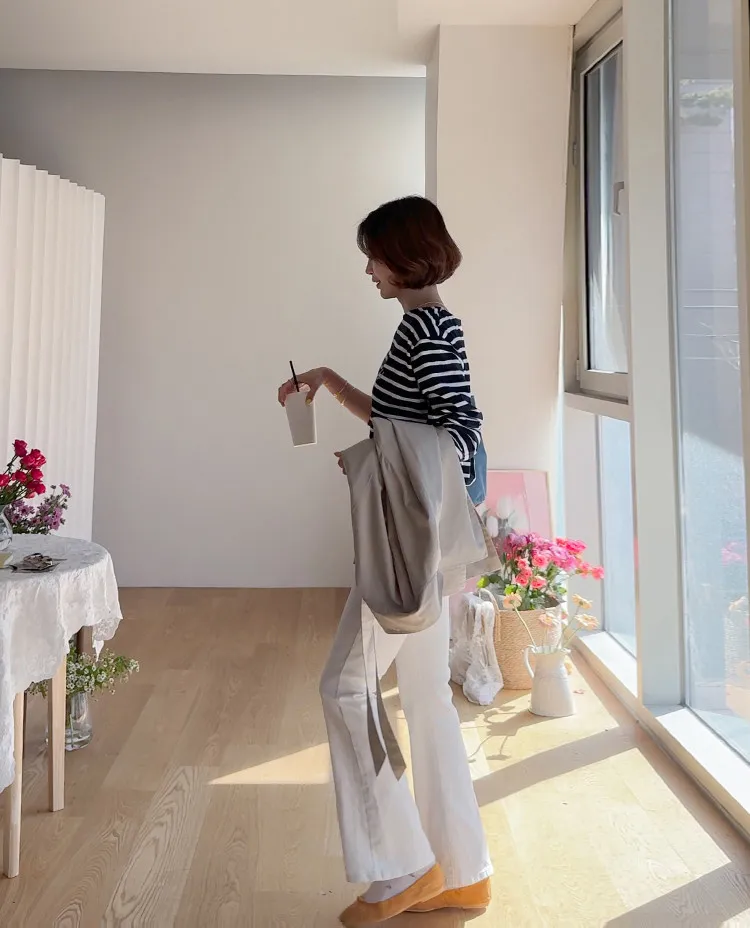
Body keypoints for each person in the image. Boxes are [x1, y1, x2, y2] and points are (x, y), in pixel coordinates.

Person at [277, 196, 492, 925]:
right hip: (423, 547)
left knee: (342, 686)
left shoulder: (426, 331)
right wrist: (329, 382)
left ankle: (404, 866)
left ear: (403, 257)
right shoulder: (428, 326)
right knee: (427, 697)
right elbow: (404, 421)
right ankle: (462, 870)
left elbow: (460, 437)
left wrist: (381, 463)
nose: (368, 269)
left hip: (408, 551)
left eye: (373, 256)